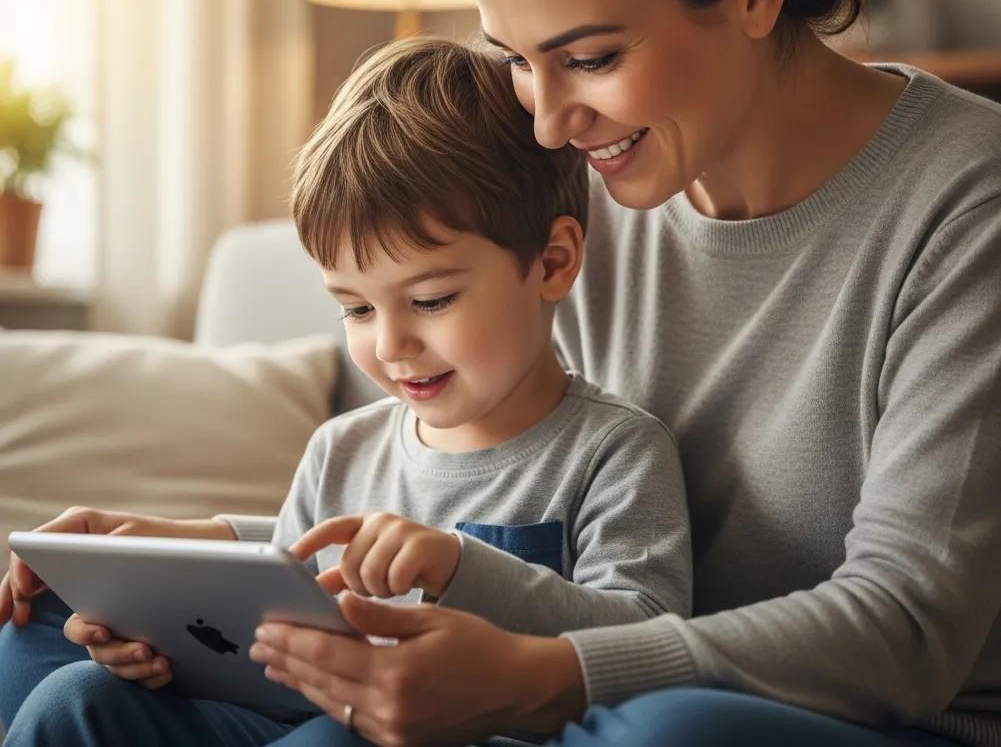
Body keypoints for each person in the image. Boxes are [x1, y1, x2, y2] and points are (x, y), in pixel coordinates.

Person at [2, 0, 1001, 747]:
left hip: (857, 719)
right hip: (584, 677)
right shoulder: (586, 174)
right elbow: (464, 493)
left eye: (587, 55)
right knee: (44, 655)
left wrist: (542, 679)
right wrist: (196, 560)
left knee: (660, 733)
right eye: (517, 62)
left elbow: (905, 631)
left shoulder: (974, 198)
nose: (544, 121)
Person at [0, 38, 691, 746]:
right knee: (73, 692)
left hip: (443, 732)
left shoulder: (615, 450)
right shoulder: (340, 450)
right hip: (293, 718)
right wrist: (155, 648)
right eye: (357, 309)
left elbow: (647, 642)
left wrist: (461, 568)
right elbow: (267, 642)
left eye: (431, 300)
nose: (390, 345)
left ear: (552, 263)